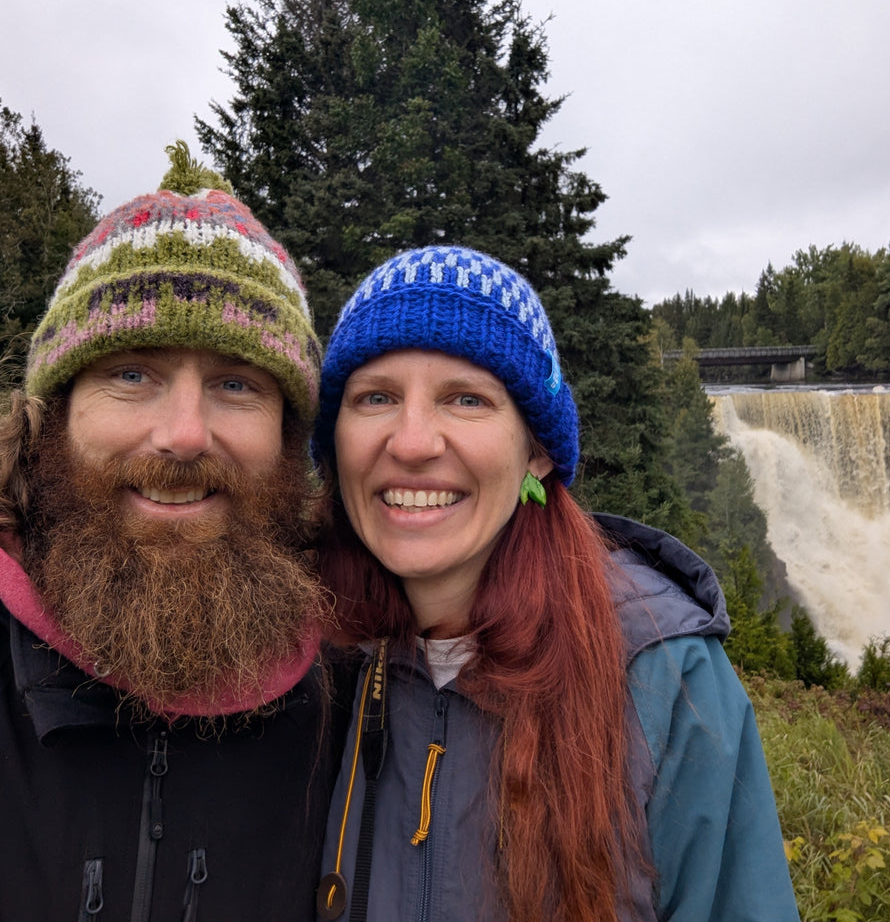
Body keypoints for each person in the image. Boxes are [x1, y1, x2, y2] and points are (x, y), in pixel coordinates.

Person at [311, 246, 800, 922]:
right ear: (333, 441)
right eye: (375, 397)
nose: (413, 441)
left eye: (466, 398)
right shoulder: (302, 663)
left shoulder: (663, 676)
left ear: (536, 450)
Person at [0, 143, 348, 920]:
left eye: (236, 384)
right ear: (55, 412)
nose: (185, 435)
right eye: (133, 374)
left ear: (291, 440)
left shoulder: (358, 701)